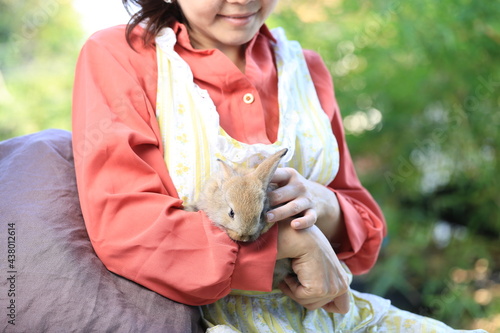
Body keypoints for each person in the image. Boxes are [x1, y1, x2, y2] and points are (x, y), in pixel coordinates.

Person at [71, 0, 486, 332]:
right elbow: (123, 227)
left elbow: (363, 227)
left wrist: (322, 203)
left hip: (333, 317)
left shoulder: (306, 67)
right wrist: (287, 243)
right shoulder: (121, 57)